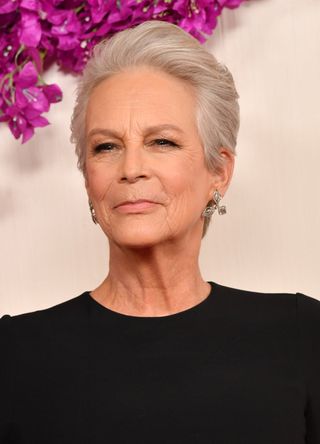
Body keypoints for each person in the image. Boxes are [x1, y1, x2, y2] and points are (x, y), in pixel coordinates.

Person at [0, 20, 319, 444]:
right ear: (87, 178)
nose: (131, 169)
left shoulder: (302, 336)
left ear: (219, 171)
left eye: (162, 142)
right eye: (106, 147)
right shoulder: (12, 355)